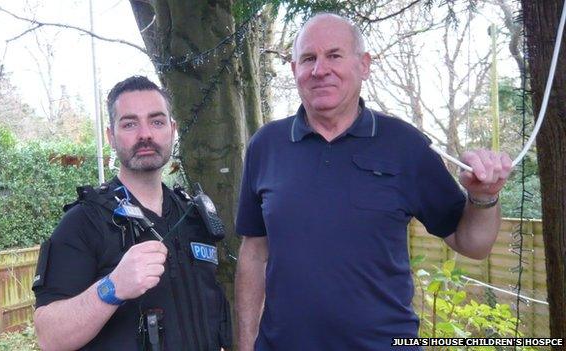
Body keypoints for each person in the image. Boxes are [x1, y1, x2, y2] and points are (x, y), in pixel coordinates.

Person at [235, 13, 513, 351]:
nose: (320, 69)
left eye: (334, 55)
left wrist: (483, 197)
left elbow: (473, 243)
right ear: (295, 69)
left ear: (363, 65)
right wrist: (246, 344)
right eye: (308, 58)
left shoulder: (405, 145)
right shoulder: (266, 145)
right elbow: (253, 252)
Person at [32, 76, 232, 351]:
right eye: (129, 123)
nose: (145, 134)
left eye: (157, 121)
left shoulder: (195, 216)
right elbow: (49, 336)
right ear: (111, 136)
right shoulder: (83, 222)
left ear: (172, 130)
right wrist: (112, 288)